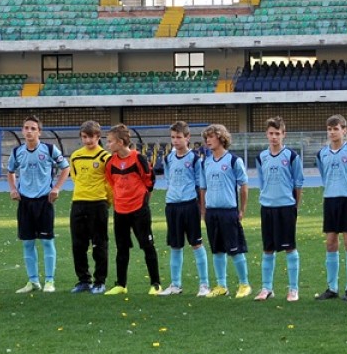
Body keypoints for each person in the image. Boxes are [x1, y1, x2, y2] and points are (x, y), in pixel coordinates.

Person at [6, 115, 71, 294]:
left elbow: (66, 168)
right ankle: (33, 281)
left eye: (33, 128)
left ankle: (49, 281)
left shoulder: (50, 149)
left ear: (39, 132)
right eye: (26, 128)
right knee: (27, 243)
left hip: (44, 201)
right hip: (25, 202)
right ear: (22, 131)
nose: (29, 131)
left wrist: (57, 188)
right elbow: (10, 171)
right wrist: (13, 189)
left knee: (47, 241)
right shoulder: (17, 152)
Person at [103, 124, 162, 296]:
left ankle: (156, 284)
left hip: (139, 210)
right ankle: (121, 284)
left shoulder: (139, 159)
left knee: (147, 246)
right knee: (121, 248)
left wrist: (142, 202)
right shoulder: (110, 162)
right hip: (120, 210)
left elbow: (149, 182)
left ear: (121, 142)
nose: (108, 145)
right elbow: (112, 182)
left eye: (110, 141)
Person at [315, 114, 347, 301]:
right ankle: (332, 288)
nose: (332, 132)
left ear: (345, 130)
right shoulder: (322, 154)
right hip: (330, 200)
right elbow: (323, 175)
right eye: (329, 129)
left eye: (336, 129)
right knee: (330, 242)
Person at [159, 121, 211, 297]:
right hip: (172, 205)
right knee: (175, 245)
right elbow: (168, 179)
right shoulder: (168, 158)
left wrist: (201, 208)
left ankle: (204, 284)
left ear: (187, 138)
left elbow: (200, 184)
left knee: (196, 243)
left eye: (179, 137)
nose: (175, 141)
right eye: (173, 137)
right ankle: (175, 284)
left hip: (189, 205)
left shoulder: (195, 159)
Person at [255, 116, 303, 302]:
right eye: (271, 133)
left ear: (284, 135)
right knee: (268, 249)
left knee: (290, 247)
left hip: (286, 208)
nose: (274, 137)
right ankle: (267, 288)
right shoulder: (261, 157)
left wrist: (294, 206)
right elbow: (261, 182)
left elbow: (298, 183)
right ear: (266, 135)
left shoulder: (291, 156)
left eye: (277, 133)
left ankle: (293, 289)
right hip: (267, 207)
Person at [201, 123, 251, 298]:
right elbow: (203, 188)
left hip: (228, 211)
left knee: (235, 249)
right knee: (217, 250)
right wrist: (203, 210)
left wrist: (242, 210)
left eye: (211, 137)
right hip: (211, 212)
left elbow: (244, 186)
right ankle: (221, 285)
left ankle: (244, 284)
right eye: (206, 137)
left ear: (221, 138)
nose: (208, 140)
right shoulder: (205, 162)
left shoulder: (233, 160)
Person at [67, 120, 111, 294]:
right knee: (78, 244)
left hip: (98, 203)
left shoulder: (105, 158)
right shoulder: (76, 156)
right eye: (84, 137)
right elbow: (76, 178)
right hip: (78, 202)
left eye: (91, 137)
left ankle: (100, 281)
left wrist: (107, 201)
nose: (88, 141)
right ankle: (83, 280)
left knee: (99, 244)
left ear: (98, 137)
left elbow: (110, 182)